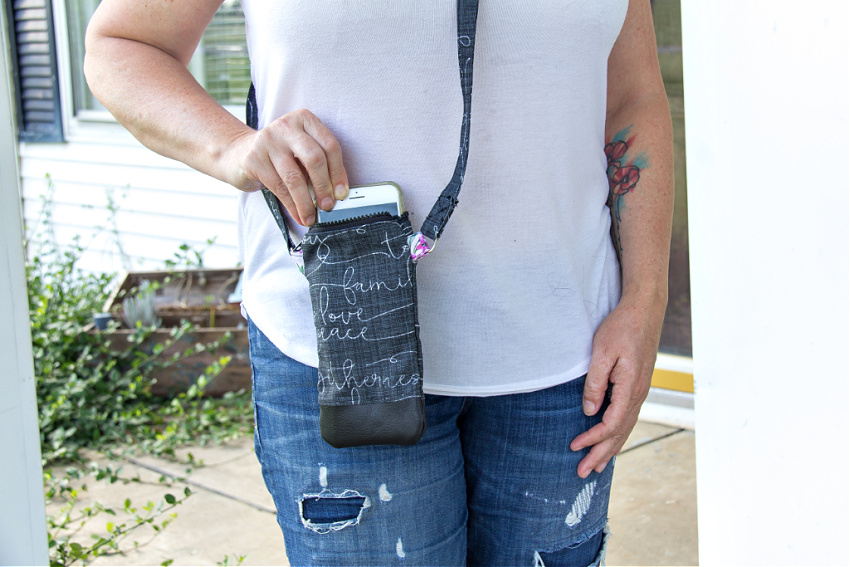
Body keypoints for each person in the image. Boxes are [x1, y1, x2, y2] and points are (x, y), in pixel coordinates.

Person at [85, 1, 673, 565]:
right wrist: (232, 147)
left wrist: (646, 301)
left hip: (566, 361)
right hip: (339, 353)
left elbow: (632, 99)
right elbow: (123, 44)